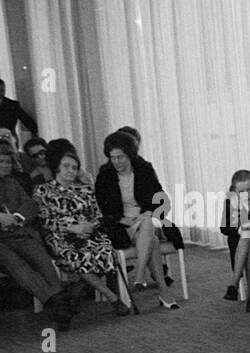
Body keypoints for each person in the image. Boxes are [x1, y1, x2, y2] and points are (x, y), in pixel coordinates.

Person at [34, 150, 133, 322]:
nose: (71, 170)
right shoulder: (43, 191)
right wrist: (72, 227)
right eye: (66, 166)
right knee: (81, 255)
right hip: (61, 236)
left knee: (104, 250)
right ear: (57, 167)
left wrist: (89, 226)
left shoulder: (85, 190)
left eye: (74, 167)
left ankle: (77, 290)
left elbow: (96, 215)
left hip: (89, 233)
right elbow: (44, 221)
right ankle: (113, 298)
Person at [93, 130, 180, 309]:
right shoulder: (105, 175)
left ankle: (140, 273)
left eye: (121, 157)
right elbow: (102, 207)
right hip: (121, 225)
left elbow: (160, 197)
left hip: (144, 218)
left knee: (147, 223)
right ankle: (163, 292)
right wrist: (120, 219)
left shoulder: (144, 169)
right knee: (153, 241)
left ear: (130, 155)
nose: (116, 161)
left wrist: (148, 212)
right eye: (113, 157)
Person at [0, 146, 79, 327]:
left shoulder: (12, 183)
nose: (5, 165)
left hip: (18, 233)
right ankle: (58, 302)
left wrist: (16, 217)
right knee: (16, 264)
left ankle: (59, 303)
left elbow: (31, 204)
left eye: (8, 161)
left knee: (42, 259)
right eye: (1, 162)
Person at [219, 169, 250, 309]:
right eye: (242, 191)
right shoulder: (230, 201)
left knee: (248, 237)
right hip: (241, 243)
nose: (247, 194)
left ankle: (233, 285)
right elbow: (224, 229)